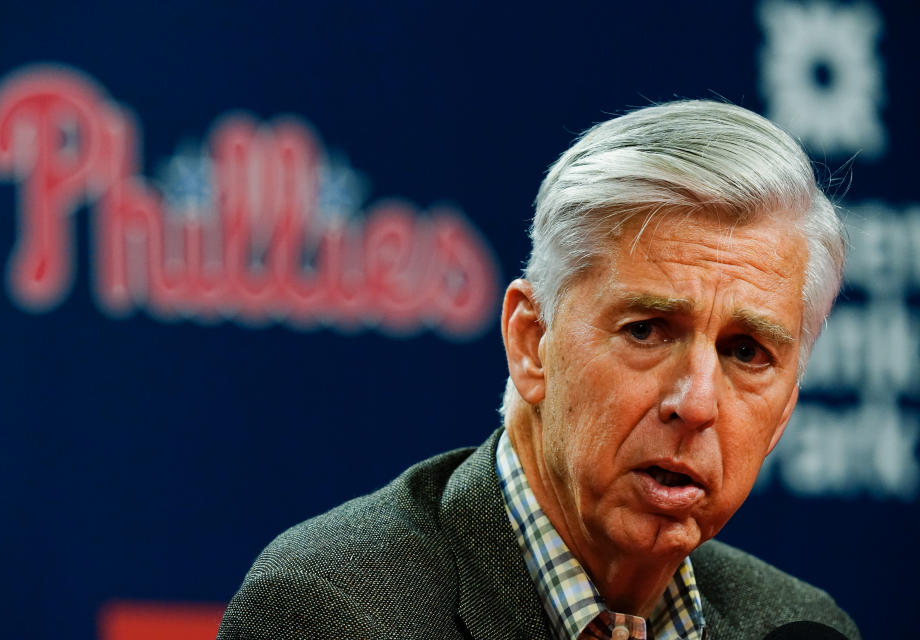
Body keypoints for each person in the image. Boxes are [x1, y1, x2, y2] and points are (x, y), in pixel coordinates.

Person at [217, 100, 860, 640]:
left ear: (783, 413)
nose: (695, 404)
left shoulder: (796, 623)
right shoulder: (334, 612)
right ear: (532, 342)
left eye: (746, 353)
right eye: (647, 330)